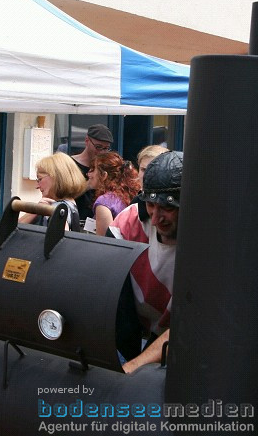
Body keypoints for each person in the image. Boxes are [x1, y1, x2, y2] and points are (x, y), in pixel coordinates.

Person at [109, 151, 182, 373]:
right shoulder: (130, 221)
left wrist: (132, 368)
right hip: (132, 332)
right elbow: (106, 285)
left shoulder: (210, 243)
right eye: (151, 204)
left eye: (168, 207)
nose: (157, 217)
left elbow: (194, 322)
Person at [18, 152, 85, 230]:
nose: (37, 186)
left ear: (55, 178)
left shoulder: (58, 208)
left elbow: (13, 230)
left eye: (40, 179)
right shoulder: (69, 204)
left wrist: (37, 210)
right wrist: (37, 210)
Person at [87, 152, 140, 236]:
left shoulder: (103, 203)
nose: (88, 174)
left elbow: (103, 243)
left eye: (93, 169)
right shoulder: (128, 194)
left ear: (104, 175)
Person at [71, 124, 113, 221]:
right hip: (75, 220)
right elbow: (62, 196)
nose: (102, 152)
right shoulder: (70, 164)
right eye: (98, 147)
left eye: (106, 148)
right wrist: (87, 186)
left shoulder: (107, 166)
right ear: (87, 141)